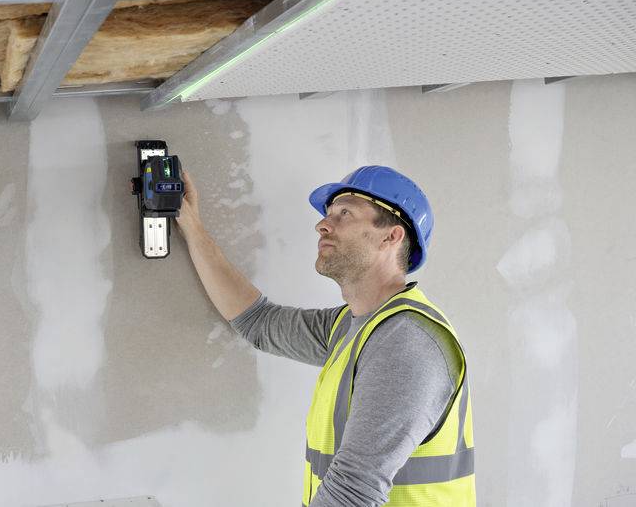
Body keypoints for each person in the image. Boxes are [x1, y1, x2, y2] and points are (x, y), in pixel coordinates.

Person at [175, 165, 475, 507]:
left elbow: (352, 493)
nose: (322, 224)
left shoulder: (406, 342)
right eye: (328, 214)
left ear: (390, 237)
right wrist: (190, 224)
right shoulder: (351, 327)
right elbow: (259, 322)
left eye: (345, 213)